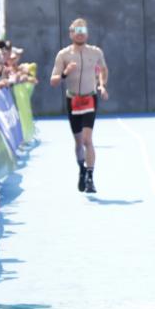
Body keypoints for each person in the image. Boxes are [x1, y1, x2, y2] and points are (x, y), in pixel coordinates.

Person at [50, 18, 109, 193]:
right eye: (77, 30)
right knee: (78, 142)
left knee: (87, 140)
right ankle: (81, 169)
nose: (80, 34)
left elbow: (103, 70)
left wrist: (102, 85)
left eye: (83, 30)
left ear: (87, 33)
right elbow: (53, 81)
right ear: (71, 34)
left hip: (90, 98)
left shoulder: (95, 52)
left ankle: (90, 177)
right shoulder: (63, 55)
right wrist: (65, 73)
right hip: (73, 100)